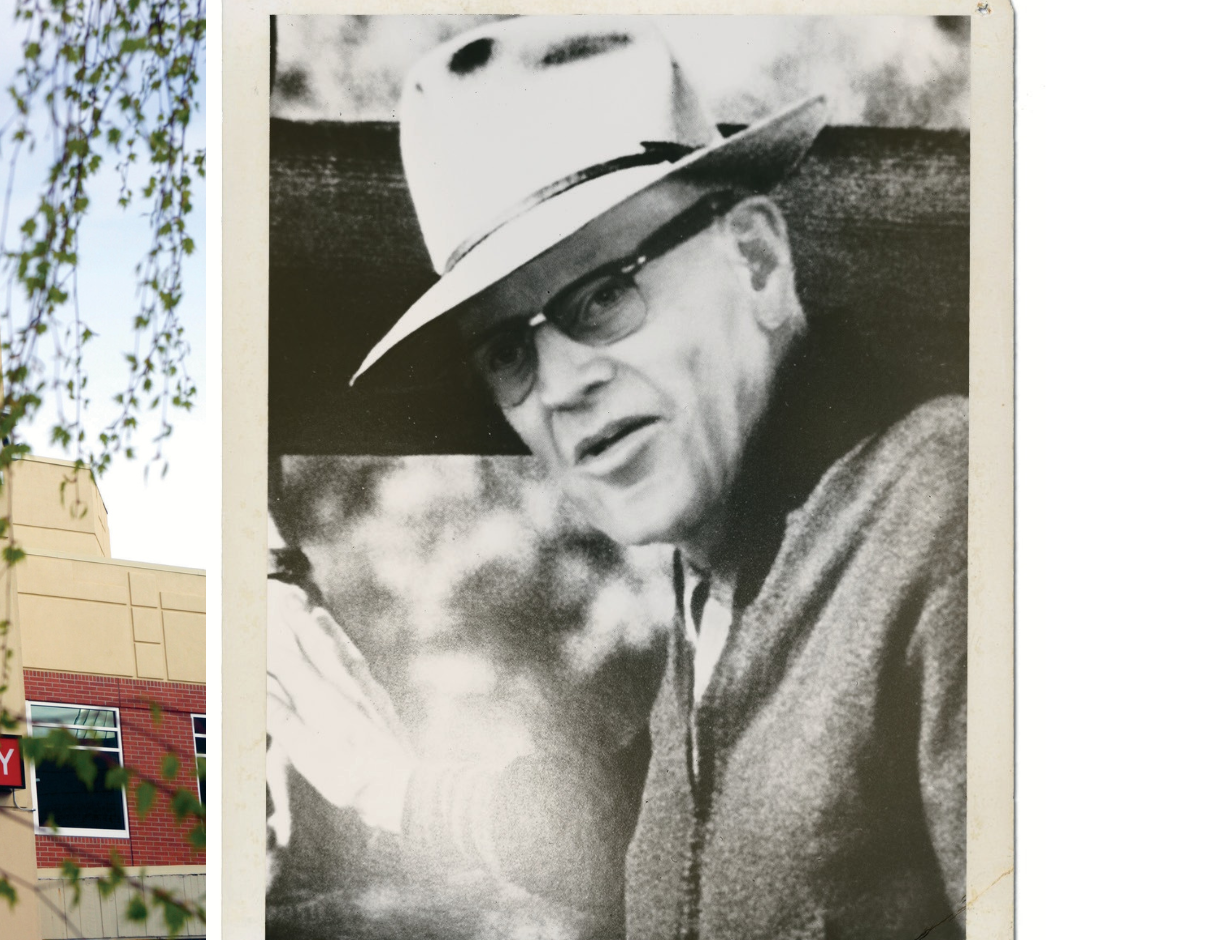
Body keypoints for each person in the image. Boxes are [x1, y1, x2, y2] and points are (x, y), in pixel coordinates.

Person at [267, 17, 966, 940]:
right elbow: (647, 833)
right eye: (510, 350)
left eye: (604, 294)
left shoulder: (950, 518)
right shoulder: (724, 575)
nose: (560, 385)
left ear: (755, 261)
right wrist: (388, 782)